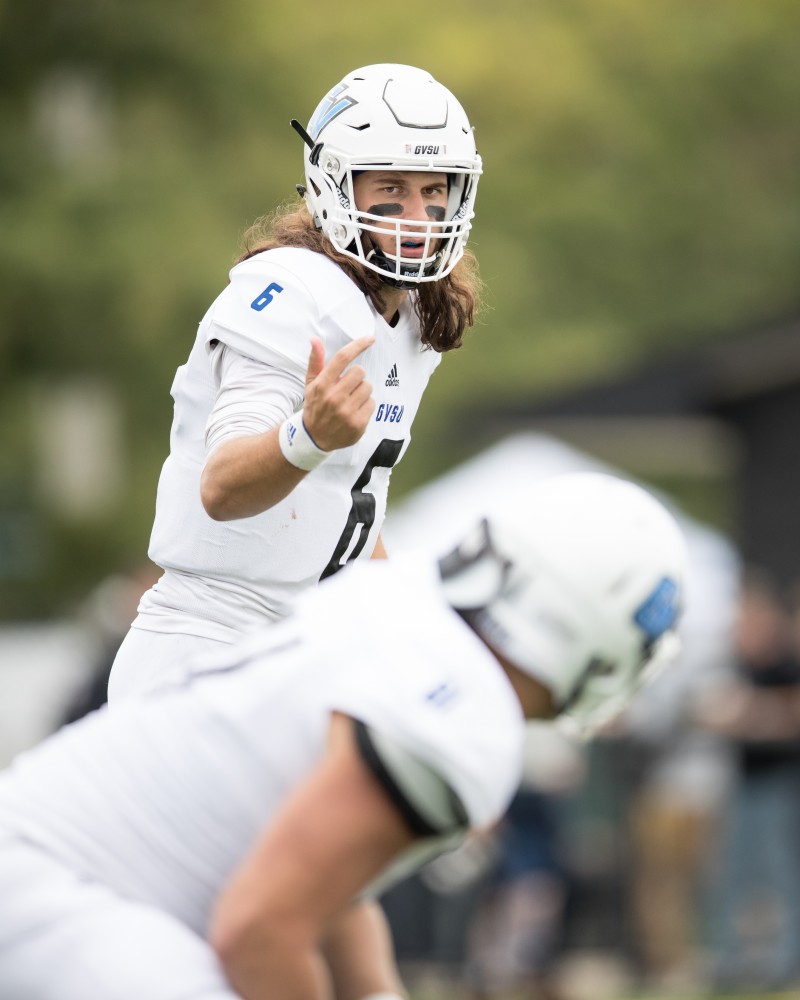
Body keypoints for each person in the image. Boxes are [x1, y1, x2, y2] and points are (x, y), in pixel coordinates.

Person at [0, 472, 687, 1000]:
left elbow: (329, 880)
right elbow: (260, 931)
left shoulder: (406, 598)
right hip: (68, 892)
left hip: (50, 864)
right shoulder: (464, 713)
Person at [107, 62, 484, 701]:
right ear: (334, 186)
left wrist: (418, 628)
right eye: (391, 186)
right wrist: (307, 436)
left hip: (310, 648)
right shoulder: (290, 292)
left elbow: (348, 507)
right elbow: (222, 487)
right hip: (209, 647)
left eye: (434, 189)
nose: (419, 214)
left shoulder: (413, 318)